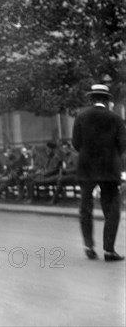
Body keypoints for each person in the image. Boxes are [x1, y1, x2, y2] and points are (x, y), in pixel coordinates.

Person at [72, 84, 126, 262]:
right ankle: (109, 250)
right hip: (109, 168)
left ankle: (89, 246)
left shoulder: (81, 117)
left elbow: (76, 143)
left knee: (85, 208)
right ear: (107, 100)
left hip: (86, 167)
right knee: (112, 209)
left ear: (92, 99)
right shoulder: (116, 119)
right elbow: (123, 144)